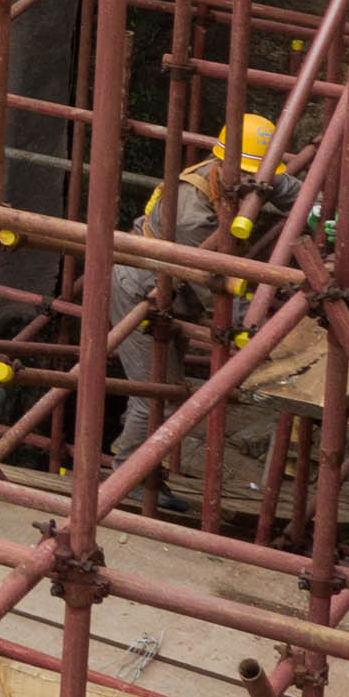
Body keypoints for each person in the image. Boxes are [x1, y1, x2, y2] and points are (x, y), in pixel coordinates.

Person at [108, 113, 280, 464]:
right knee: (157, 396)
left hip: (174, 289)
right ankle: (126, 478)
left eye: (257, 175)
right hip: (141, 287)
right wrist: (255, 329)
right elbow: (215, 284)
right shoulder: (192, 215)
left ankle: (148, 481)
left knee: (162, 389)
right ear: (223, 162)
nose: (253, 184)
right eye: (247, 174)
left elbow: (283, 184)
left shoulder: (226, 179)